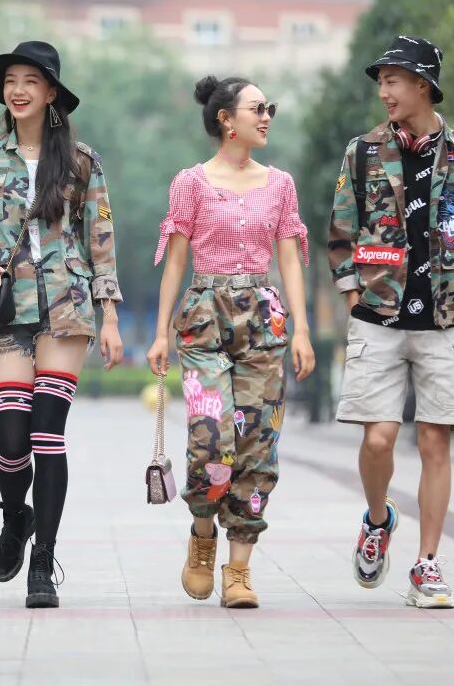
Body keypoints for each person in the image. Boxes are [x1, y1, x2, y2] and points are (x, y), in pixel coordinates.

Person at [327, 36, 454, 608]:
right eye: (381, 82)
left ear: (423, 85)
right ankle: (378, 519)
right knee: (378, 438)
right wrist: (352, 300)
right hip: (378, 315)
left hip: (448, 315)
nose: (383, 92)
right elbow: (340, 230)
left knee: (436, 442)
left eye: (393, 81)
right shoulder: (362, 152)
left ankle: (427, 564)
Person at [0, 41, 124, 608]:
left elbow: (100, 239)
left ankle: (43, 561)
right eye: (10, 81)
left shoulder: (80, 161)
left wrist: (110, 314)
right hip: (7, 307)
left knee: (47, 435)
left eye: (30, 80)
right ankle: (14, 517)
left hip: (67, 307)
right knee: (10, 441)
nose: (18, 90)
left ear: (51, 93)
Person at [147, 76, 314, 608]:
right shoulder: (190, 183)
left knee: (258, 445)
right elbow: (176, 258)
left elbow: (289, 258)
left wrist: (302, 329)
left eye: (270, 109)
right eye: (257, 108)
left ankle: (238, 570)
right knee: (210, 440)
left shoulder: (280, 184)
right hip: (204, 318)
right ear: (226, 119)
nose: (266, 117)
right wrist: (160, 331)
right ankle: (202, 534)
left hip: (265, 321)